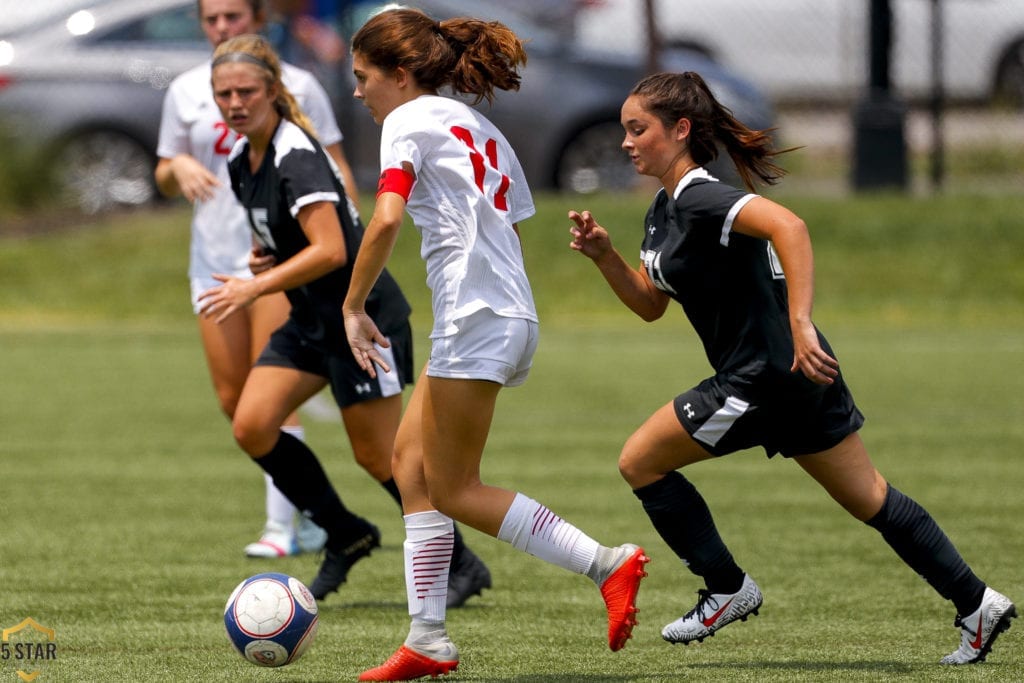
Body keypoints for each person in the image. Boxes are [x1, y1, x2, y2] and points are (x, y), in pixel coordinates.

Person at [567, 71, 1017, 665]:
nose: (626, 142)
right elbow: (652, 304)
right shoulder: (663, 208)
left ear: (680, 130)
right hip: (800, 374)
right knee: (871, 499)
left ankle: (727, 589)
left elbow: (790, 227)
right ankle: (976, 602)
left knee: (640, 462)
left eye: (637, 129)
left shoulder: (703, 196)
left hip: (763, 375)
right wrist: (605, 256)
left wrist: (800, 322)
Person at [341, 9, 650, 681]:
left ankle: (607, 562)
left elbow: (388, 214)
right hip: (502, 311)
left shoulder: (406, 120)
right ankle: (428, 637)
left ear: (400, 75)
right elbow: (497, 216)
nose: (359, 91)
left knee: (453, 487)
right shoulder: (473, 124)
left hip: (475, 316)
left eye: (364, 77)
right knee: (410, 464)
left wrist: (354, 302)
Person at [156, 1, 492, 608]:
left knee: (384, 457)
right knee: (252, 424)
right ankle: (346, 533)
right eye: (223, 94)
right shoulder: (241, 157)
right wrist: (267, 262)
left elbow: (333, 249)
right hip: (313, 318)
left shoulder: (296, 152)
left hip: (363, 318)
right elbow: (286, 237)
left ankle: (461, 563)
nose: (234, 103)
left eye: (246, 92)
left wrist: (255, 285)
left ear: (273, 90)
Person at [155, 0, 356, 559]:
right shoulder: (187, 91)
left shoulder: (298, 86)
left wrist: (356, 245)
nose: (222, 27)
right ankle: (313, 509)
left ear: (259, 20)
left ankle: (280, 529)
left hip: (276, 262)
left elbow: (336, 168)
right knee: (232, 399)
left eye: (234, 16)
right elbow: (164, 172)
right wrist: (178, 169)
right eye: (212, 18)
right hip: (212, 261)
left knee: (269, 392)